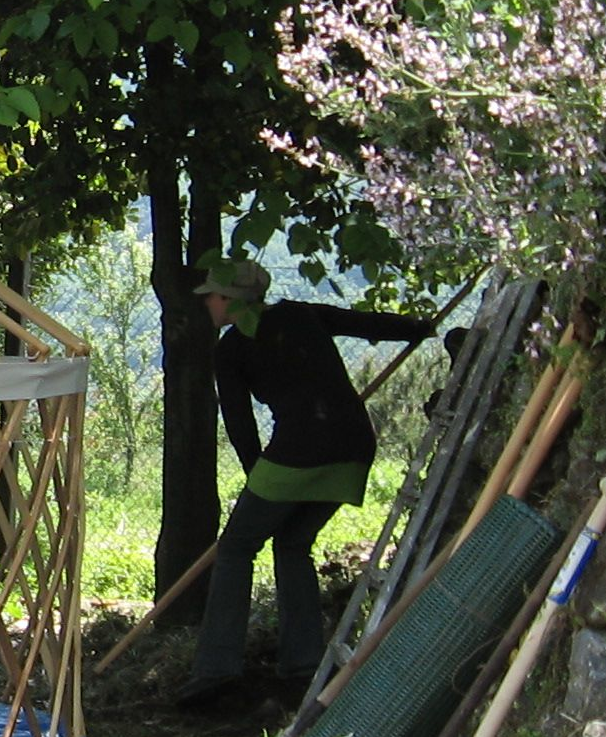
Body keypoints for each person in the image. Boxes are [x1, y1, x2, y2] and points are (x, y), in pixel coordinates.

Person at [179, 260, 434, 710]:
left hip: (297, 451)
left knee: (237, 547)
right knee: (293, 543)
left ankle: (216, 672)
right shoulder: (300, 313)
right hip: (355, 447)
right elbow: (362, 323)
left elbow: (239, 423)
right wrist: (419, 328)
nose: (206, 302)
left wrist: (258, 472)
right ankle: (302, 665)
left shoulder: (232, 348)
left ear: (231, 300)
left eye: (212, 295)